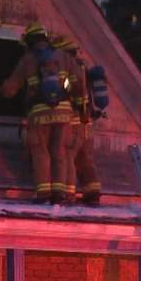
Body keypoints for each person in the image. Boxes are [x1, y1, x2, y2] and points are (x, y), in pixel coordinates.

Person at [0, 23, 80, 204]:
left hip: (39, 115)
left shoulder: (27, 60)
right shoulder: (64, 57)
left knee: (40, 151)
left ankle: (43, 193)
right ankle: (59, 193)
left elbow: (11, 88)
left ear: (30, 41)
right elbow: (78, 82)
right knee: (59, 151)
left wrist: (2, 90)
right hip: (63, 113)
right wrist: (77, 103)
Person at [52, 35, 102, 205]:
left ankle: (68, 193)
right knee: (85, 158)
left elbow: (68, 91)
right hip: (87, 122)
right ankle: (92, 192)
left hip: (74, 120)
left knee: (68, 155)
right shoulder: (83, 67)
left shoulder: (68, 70)